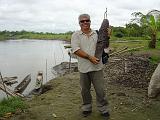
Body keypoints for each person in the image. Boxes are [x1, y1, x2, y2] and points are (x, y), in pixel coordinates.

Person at [71, 14, 110, 119]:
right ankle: (87, 108)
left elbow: (105, 47)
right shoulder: (76, 35)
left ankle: (103, 109)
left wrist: (108, 36)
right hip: (83, 68)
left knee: (100, 90)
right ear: (79, 23)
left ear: (90, 21)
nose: (85, 23)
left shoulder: (97, 34)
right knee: (85, 90)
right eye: (82, 21)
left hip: (97, 67)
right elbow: (76, 50)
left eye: (87, 20)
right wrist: (90, 57)